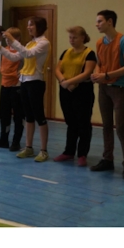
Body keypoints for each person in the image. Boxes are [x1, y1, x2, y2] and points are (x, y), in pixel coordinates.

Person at [0, 17, 51, 162]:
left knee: (39, 117)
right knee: (28, 117)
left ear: (39, 27)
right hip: (24, 81)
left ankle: (44, 150)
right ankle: (28, 147)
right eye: (28, 25)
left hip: (36, 82)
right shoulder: (30, 43)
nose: (28, 27)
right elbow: (14, 57)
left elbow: (27, 54)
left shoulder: (44, 43)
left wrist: (13, 40)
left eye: (31, 25)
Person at [89, 10, 124, 178]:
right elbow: (99, 63)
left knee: (120, 127)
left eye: (100, 21)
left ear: (110, 22)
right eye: (97, 21)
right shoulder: (99, 42)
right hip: (104, 88)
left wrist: (107, 75)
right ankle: (107, 159)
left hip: (119, 88)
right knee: (106, 125)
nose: (97, 24)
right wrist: (97, 74)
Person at [53, 26, 97, 167]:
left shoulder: (89, 53)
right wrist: (63, 81)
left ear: (82, 38)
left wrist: (70, 82)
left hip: (83, 91)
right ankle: (69, 151)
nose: (71, 40)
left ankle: (82, 154)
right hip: (65, 90)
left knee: (83, 123)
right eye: (70, 37)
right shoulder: (66, 52)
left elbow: (87, 73)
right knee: (71, 122)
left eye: (75, 37)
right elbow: (57, 69)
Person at [0, 27, 26, 151]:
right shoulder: (6, 49)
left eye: (10, 39)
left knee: (18, 115)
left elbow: (15, 59)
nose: (7, 41)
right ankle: (3, 139)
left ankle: (16, 141)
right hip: (5, 85)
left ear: (17, 39)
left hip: (16, 86)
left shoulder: (22, 51)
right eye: (6, 39)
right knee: (4, 114)